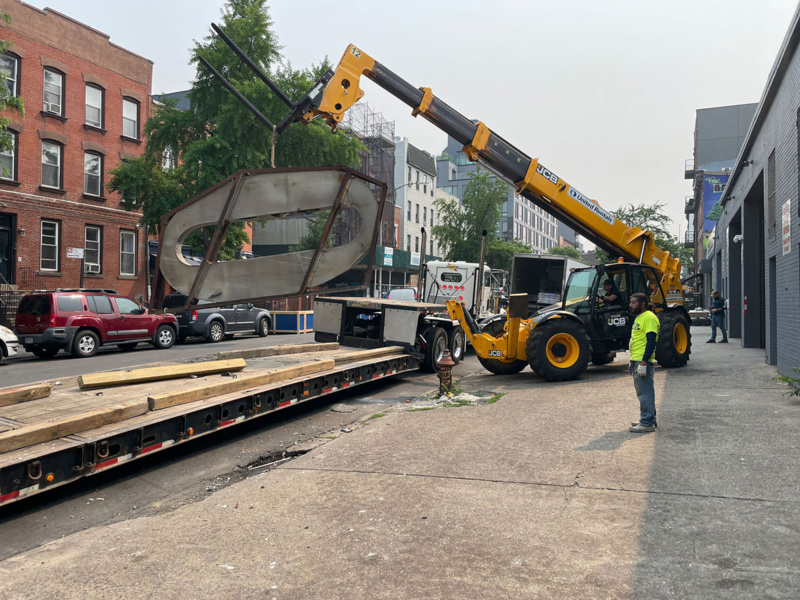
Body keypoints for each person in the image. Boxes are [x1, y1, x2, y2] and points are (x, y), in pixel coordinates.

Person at [628, 292, 660, 433]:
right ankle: (648, 419)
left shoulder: (649, 318)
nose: (630, 305)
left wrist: (644, 362)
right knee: (643, 391)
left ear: (642, 304)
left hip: (642, 360)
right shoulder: (640, 317)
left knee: (645, 392)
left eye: (633, 302)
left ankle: (647, 422)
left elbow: (651, 341)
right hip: (636, 358)